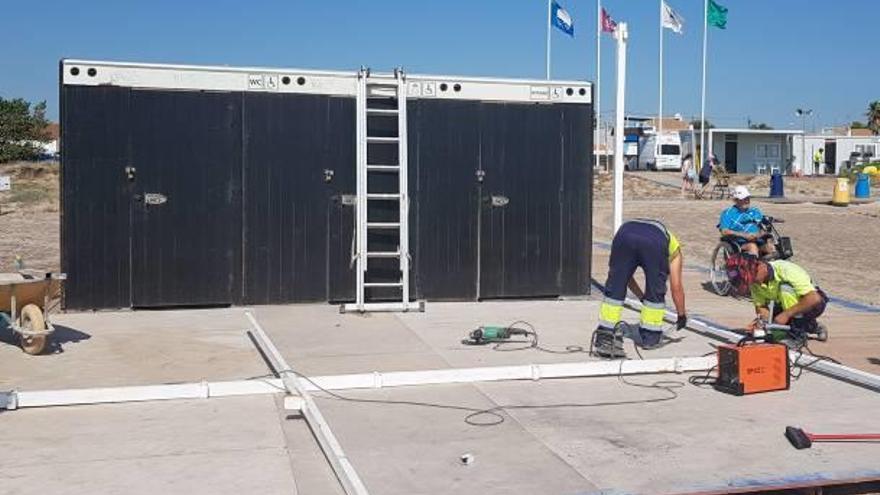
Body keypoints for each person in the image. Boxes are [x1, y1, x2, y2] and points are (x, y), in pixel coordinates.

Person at [593, 219, 688, 358]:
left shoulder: (638, 231)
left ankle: (606, 335)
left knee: (616, 285)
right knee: (655, 291)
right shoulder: (675, 251)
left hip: (624, 233)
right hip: (654, 242)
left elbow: (627, 276)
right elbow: (676, 287)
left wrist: (641, 296)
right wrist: (681, 315)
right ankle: (650, 338)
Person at [725, 254, 829, 343]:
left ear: (760, 266)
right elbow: (761, 307)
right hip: (784, 305)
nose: (754, 283)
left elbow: (814, 298)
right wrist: (763, 323)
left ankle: (797, 337)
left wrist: (786, 314)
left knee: (786, 289)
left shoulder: (786, 270)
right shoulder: (755, 282)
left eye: (753, 278)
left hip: (812, 303)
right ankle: (813, 326)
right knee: (771, 330)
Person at [718, 186, 775, 258]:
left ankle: (769, 267)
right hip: (739, 242)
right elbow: (724, 231)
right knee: (752, 247)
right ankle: (753, 267)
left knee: (771, 248)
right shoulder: (728, 213)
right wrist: (744, 235)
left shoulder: (755, 211)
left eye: (748, 198)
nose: (747, 201)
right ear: (736, 200)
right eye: (744, 199)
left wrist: (760, 234)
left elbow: (763, 225)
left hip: (757, 239)